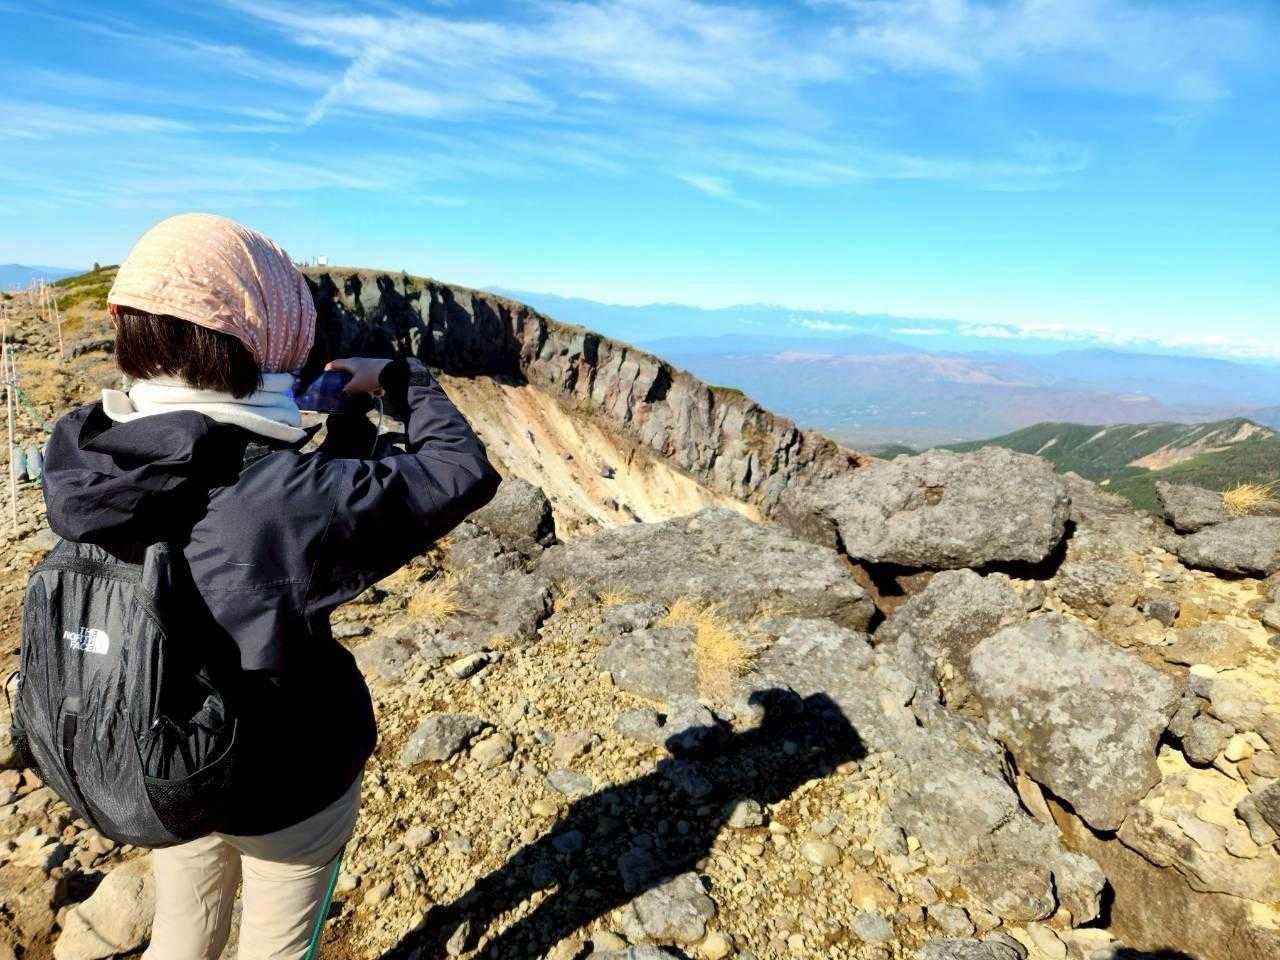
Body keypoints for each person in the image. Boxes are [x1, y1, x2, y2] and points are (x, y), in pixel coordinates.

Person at [40, 213, 501, 959]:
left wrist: (341, 430)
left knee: (183, 933)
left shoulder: (90, 456)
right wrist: (400, 378)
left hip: (164, 763)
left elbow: (265, 511)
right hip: (285, 782)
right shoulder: (281, 495)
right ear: (265, 333)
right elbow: (458, 472)